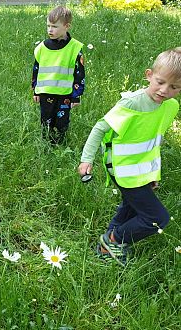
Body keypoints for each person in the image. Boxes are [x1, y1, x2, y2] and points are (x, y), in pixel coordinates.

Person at [78, 48, 181, 266]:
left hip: (141, 171)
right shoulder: (132, 103)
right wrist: (86, 160)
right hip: (123, 170)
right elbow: (100, 128)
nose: (164, 90)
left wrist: (151, 174)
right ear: (149, 75)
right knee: (157, 219)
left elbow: (151, 142)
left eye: (174, 87)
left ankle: (106, 249)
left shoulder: (170, 107)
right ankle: (114, 239)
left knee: (131, 207)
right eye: (160, 82)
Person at [31, 6, 85, 145]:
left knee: (62, 123)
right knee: (46, 121)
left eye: (54, 26)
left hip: (64, 94)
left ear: (67, 26)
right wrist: (35, 89)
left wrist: (76, 95)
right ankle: (46, 145)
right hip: (45, 92)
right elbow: (36, 69)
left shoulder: (75, 48)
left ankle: (61, 144)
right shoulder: (41, 48)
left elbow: (79, 73)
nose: (50, 30)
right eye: (48, 26)